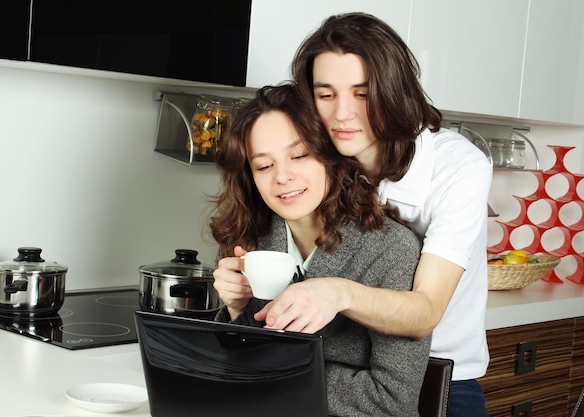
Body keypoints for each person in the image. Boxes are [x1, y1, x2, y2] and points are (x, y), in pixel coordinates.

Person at [252, 12, 493, 417]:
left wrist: (338, 291)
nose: (343, 114)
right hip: (340, 370)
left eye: (362, 94)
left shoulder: (458, 167)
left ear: (395, 91)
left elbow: (425, 313)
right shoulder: (323, 158)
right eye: (326, 95)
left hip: (442, 378)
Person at [209, 83, 430, 417]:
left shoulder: (390, 250)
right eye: (264, 166)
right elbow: (224, 371)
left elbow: (392, 401)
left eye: (299, 155)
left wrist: (275, 373)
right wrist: (235, 310)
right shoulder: (248, 240)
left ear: (331, 156)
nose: (282, 177)